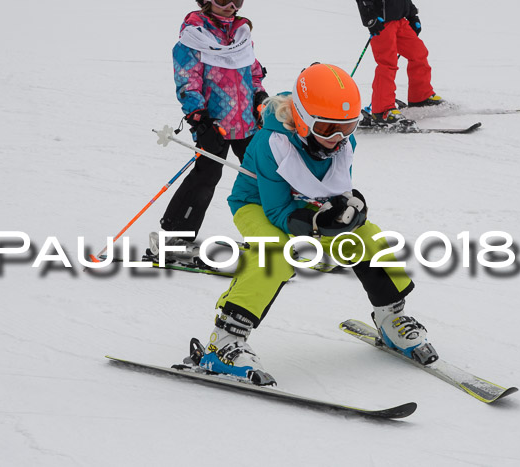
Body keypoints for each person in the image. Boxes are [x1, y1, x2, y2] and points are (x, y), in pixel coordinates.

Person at [184, 63, 438, 385]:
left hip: (306, 205)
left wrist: (349, 211)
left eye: (348, 127)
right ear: (303, 121)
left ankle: (391, 318)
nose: (338, 139)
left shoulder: (344, 143)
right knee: (275, 253)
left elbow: (334, 189)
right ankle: (224, 342)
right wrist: (318, 225)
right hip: (259, 206)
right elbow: (277, 211)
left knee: (369, 238)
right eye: (328, 128)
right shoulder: (271, 144)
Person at [151, 0, 268, 259]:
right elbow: (187, 82)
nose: (230, 5)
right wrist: (200, 120)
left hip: (247, 121)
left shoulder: (240, 34)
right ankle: (174, 237)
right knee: (206, 176)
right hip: (214, 125)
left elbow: (253, 71)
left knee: (263, 176)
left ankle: (272, 235)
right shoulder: (193, 38)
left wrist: (259, 96)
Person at [355, 0, 443, 125]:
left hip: (400, 20)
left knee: (418, 53)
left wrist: (412, 15)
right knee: (387, 63)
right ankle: (383, 110)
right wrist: (370, 17)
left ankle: (421, 97)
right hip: (382, 22)